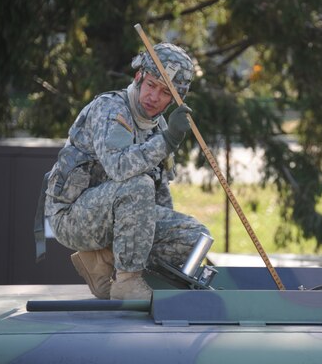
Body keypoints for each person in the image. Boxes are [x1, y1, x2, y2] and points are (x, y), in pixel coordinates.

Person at [43, 43, 211, 300]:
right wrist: (168, 140)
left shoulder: (159, 127)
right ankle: (127, 282)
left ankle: (101, 261)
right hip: (73, 217)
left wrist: (171, 241)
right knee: (137, 185)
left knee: (195, 238)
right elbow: (119, 167)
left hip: (121, 219)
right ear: (138, 77)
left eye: (165, 92)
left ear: (176, 100)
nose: (154, 97)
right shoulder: (111, 108)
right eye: (151, 85)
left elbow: (160, 198)